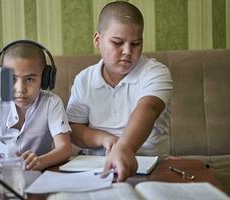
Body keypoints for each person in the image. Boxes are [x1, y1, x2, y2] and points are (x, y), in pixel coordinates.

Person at [66, 1, 173, 182]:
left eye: (136, 43)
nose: (127, 51)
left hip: (148, 166)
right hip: (95, 167)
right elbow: (73, 129)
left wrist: (124, 148)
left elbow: (149, 109)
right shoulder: (84, 79)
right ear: (97, 40)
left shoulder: (156, 72)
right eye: (117, 42)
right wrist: (105, 139)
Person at [0, 41, 71, 170]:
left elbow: (64, 148)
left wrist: (40, 162)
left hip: (39, 170)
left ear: (45, 78)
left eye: (30, 79)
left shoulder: (52, 104)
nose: (20, 89)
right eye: (12, 79)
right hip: (4, 169)